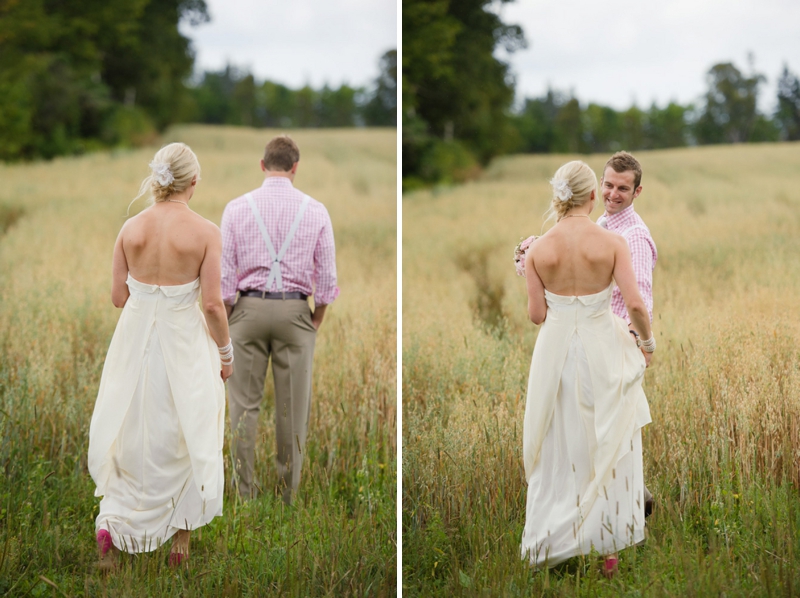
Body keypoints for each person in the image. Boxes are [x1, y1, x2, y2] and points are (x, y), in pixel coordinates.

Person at [88, 143, 233, 569]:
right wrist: (225, 354)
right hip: (184, 346)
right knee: (189, 431)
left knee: (129, 431)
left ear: (158, 179)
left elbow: (118, 297)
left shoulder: (130, 229)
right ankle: (180, 544)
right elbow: (211, 305)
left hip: (134, 347)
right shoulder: (206, 233)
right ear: (193, 182)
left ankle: (111, 523)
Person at [519, 161, 655, 576]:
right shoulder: (612, 242)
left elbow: (537, 315)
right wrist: (647, 344)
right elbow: (634, 304)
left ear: (561, 196)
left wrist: (528, 274)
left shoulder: (538, 249)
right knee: (606, 442)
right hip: (601, 351)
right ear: (594, 195)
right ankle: (607, 544)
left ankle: (553, 547)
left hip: (555, 355)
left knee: (558, 445)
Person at [220, 134, 338, 505]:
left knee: (243, 407)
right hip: (295, 313)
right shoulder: (316, 209)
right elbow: (328, 280)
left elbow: (224, 280)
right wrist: (313, 320)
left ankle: (244, 495)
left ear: (262, 165)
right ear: (295, 167)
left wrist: (228, 318)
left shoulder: (236, 208)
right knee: (292, 410)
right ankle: (287, 497)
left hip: (246, 311)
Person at [596, 151, 658, 516]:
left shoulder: (634, 236)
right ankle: (627, 497)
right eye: (608, 185)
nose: (613, 193)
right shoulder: (603, 224)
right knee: (599, 427)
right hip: (595, 337)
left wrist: (644, 345)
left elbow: (640, 299)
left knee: (613, 429)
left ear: (637, 192)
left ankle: (633, 500)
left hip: (619, 342)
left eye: (622, 188)